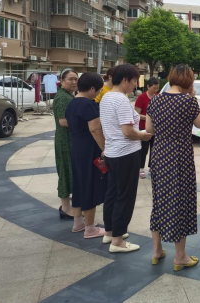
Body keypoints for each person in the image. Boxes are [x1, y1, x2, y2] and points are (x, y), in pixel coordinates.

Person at [146, 65, 200, 270]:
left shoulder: (155, 100)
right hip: (181, 157)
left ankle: (156, 251)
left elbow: (149, 129)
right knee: (181, 201)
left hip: (160, 155)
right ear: (188, 81)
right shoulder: (188, 101)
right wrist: (193, 98)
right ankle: (180, 256)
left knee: (159, 200)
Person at [100, 64, 153, 253]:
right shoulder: (121, 100)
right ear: (124, 80)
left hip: (112, 153)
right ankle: (117, 241)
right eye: (134, 81)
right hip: (126, 153)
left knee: (112, 193)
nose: (135, 85)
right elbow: (128, 131)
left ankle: (110, 232)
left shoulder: (106, 97)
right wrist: (143, 135)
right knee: (125, 196)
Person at [65, 72, 108, 238]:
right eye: (99, 90)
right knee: (90, 185)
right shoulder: (89, 105)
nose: (99, 93)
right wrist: (105, 148)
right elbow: (95, 129)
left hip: (76, 148)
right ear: (91, 88)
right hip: (90, 149)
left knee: (79, 184)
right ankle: (90, 228)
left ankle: (78, 222)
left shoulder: (72, 103)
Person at [53, 68, 78, 221]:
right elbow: (63, 121)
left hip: (68, 139)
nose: (74, 82)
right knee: (65, 172)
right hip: (64, 140)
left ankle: (68, 207)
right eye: (70, 79)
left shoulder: (68, 95)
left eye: (76, 79)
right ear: (62, 81)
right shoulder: (63, 97)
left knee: (69, 171)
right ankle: (66, 209)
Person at [135, 77, 159, 179]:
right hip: (143, 127)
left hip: (155, 128)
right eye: (154, 88)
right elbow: (136, 114)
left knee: (154, 149)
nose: (156, 90)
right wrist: (148, 117)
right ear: (148, 86)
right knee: (143, 149)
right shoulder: (141, 98)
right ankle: (141, 168)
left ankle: (151, 167)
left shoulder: (158, 97)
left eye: (157, 88)